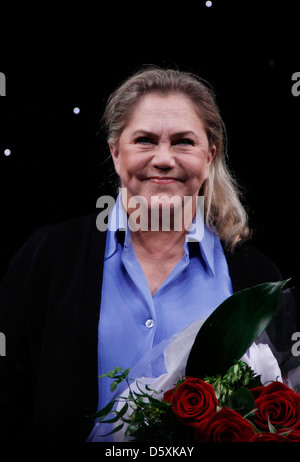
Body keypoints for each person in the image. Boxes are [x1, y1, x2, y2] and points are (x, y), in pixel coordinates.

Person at [0, 67, 298, 442]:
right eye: (144, 140)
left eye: (183, 142)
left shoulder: (256, 276)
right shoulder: (46, 259)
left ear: (209, 155)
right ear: (115, 152)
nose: (163, 158)